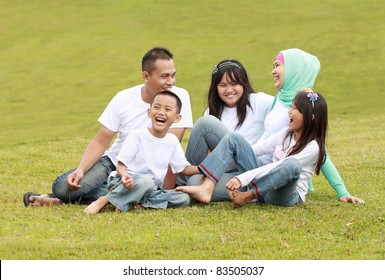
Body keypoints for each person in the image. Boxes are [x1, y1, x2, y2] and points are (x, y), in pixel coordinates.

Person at [181, 49, 364, 204]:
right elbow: (261, 146)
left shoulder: (300, 107)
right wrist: (228, 157)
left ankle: (215, 186)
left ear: (294, 70)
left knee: (196, 181)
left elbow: (318, 152)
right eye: (273, 66)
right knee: (213, 143)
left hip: (269, 171)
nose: (273, 71)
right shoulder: (278, 99)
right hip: (253, 164)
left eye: (278, 65)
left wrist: (342, 192)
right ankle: (185, 182)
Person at [23, 47, 193, 207]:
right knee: (63, 188)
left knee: (141, 186)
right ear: (146, 76)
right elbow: (101, 141)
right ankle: (71, 197)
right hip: (114, 161)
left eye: (173, 75)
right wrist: (81, 169)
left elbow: (171, 150)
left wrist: (166, 190)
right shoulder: (123, 98)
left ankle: (68, 200)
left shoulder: (179, 97)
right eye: (164, 76)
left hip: (144, 172)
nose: (171, 82)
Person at [176, 92, 328, 207]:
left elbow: (276, 167)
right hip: (261, 179)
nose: (289, 111)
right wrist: (221, 165)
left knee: (291, 165)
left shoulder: (312, 147)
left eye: (295, 109)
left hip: (282, 193)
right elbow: (255, 150)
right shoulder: (286, 134)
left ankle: (248, 195)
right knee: (234, 139)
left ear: (310, 117)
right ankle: (206, 187)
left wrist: (241, 178)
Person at [84, 91, 199, 214]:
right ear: (149, 112)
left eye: (167, 109)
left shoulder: (172, 141)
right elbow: (121, 165)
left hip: (150, 190)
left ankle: (135, 202)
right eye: (156, 107)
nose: (161, 112)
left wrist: (202, 169)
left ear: (177, 118)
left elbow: (183, 168)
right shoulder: (137, 135)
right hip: (126, 182)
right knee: (146, 181)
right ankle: (105, 200)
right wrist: (124, 176)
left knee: (183, 198)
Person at [177, 59, 274, 201]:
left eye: (234, 84)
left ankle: (181, 184)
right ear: (215, 87)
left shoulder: (259, 101)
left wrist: (304, 94)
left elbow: (286, 106)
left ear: (244, 83)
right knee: (194, 181)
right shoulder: (213, 111)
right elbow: (213, 154)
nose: (229, 90)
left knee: (205, 123)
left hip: (249, 171)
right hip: (227, 172)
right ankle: (183, 184)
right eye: (223, 85)